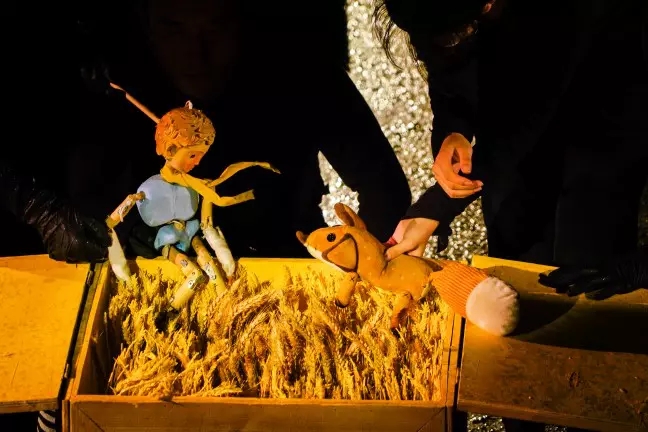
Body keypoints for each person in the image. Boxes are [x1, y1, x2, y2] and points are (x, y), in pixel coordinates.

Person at [374, 0, 648, 431]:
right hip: (511, 170)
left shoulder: (580, 18)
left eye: (462, 31)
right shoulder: (439, 15)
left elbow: (531, 113)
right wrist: (453, 129)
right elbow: (450, 77)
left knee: (587, 290)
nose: (452, 43)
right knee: (513, 293)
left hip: (603, 133)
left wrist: (434, 208)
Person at [117, 0, 412, 259]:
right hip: (163, 270)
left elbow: (386, 190)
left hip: (289, 264)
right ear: (146, 24)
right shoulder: (122, 91)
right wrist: (127, 231)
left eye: (216, 26)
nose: (196, 52)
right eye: (173, 28)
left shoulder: (301, 72)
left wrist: (346, 260)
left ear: (242, 18)